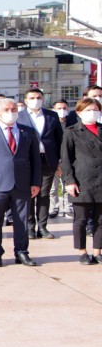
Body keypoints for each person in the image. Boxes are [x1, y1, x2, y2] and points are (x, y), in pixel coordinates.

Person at [0, 98, 42, 268]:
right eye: (7, 109)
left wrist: (35, 182)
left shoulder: (28, 131)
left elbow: (35, 159)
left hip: (23, 183)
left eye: (14, 109)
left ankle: (22, 252)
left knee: (22, 220)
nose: (11, 113)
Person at [60, 98, 102, 265]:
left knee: (100, 219)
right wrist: (69, 181)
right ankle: (82, 251)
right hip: (82, 180)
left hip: (101, 180)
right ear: (79, 113)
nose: (92, 112)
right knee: (81, 219)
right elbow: (66, 158)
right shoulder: (72, 131)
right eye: (88, 110)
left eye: (95, 109)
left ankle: (98, 250)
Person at [17, 89, 63, 239]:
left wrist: (59, 161)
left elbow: (59, 139)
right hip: (27, 161)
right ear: (25, 100)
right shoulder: (19, 116)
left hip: (47, 159)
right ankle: (29, 227)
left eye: (38, 97)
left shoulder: (52, 115)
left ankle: (42, 226)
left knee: (44, 194)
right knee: (29, 194)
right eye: (32, 97)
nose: (35, 100)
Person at [50, 100, 73, 219]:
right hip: (53, 159)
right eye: (59, 108)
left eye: (64, 108)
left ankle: (68, 208)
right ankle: (53, 208)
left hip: (68, 160)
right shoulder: (51, 124)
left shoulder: (72, 124)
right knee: (53, 187)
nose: (62, 110)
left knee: (67, 185)